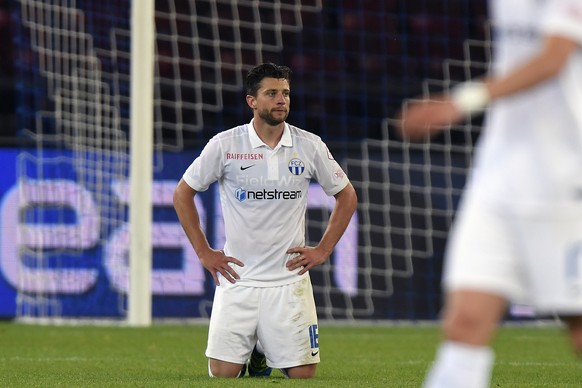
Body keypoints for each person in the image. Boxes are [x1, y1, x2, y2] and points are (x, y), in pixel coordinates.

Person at [397, 0, 582, 387]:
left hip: (566, 183)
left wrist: (459, 103)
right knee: (465, 321)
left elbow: (554, 58)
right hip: (498, 179)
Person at [173, 63, 357, 379]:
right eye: (271, 93)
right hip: (238, 279)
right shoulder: (226, 144)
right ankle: (254, 351)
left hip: (288, 280)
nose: (281, 100)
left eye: (285, 93)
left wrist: (323, 250)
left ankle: (260, 351)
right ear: (252, 101)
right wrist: (204, 252)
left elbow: (347, 196)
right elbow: (182, 194)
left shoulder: (308, 145)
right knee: (222, 374)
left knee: (303, 375)